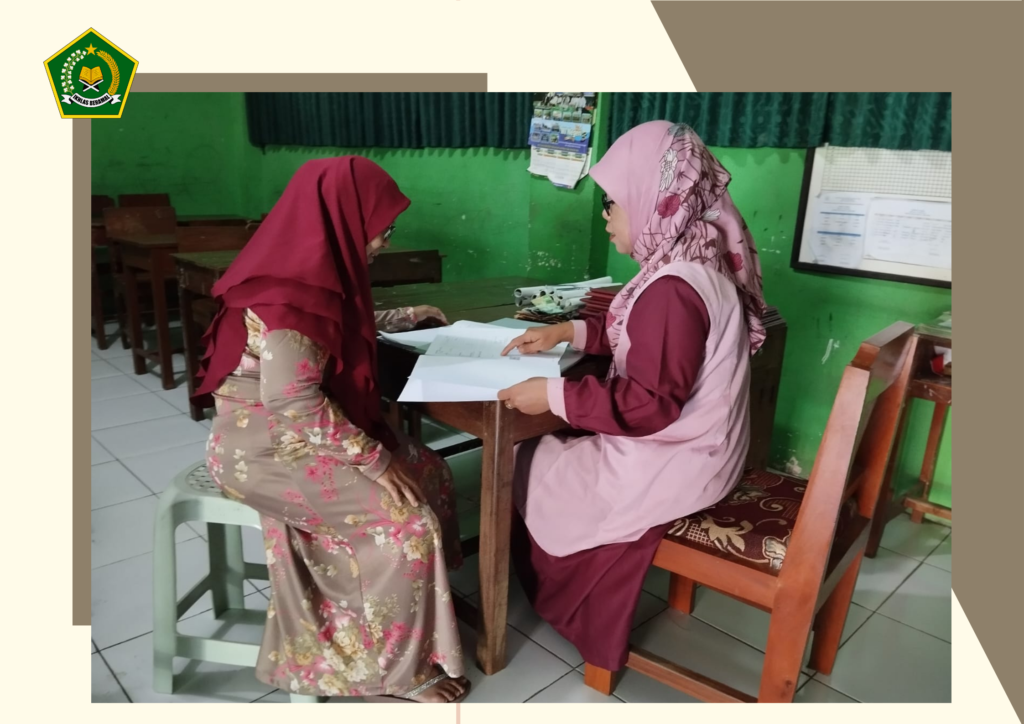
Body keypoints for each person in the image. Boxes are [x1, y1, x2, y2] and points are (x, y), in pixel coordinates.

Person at [191, 157, 470, 703]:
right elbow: (292, 396)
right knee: (406, 523)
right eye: (381, 228)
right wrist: (373, 460)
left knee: (430, 470)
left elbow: (327, 327)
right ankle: (395, 674)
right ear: (344, 218)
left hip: (294, 429)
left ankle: (416, 611)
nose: (385, 241)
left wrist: (402, 317)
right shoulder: (283, 297)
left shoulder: (301, 268)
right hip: (266, 445)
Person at [497, 121, 767, 673]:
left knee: (524, 456)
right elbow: (647, 342)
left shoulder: (673, 287)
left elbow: (649, 404)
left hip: (677, 461)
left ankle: (564, 600)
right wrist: (569, 332)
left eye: (613, 201)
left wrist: (553, 394)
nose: (606, 215)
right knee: (561, 438)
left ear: (655, 201)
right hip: (708, 449)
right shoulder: (693, 262)